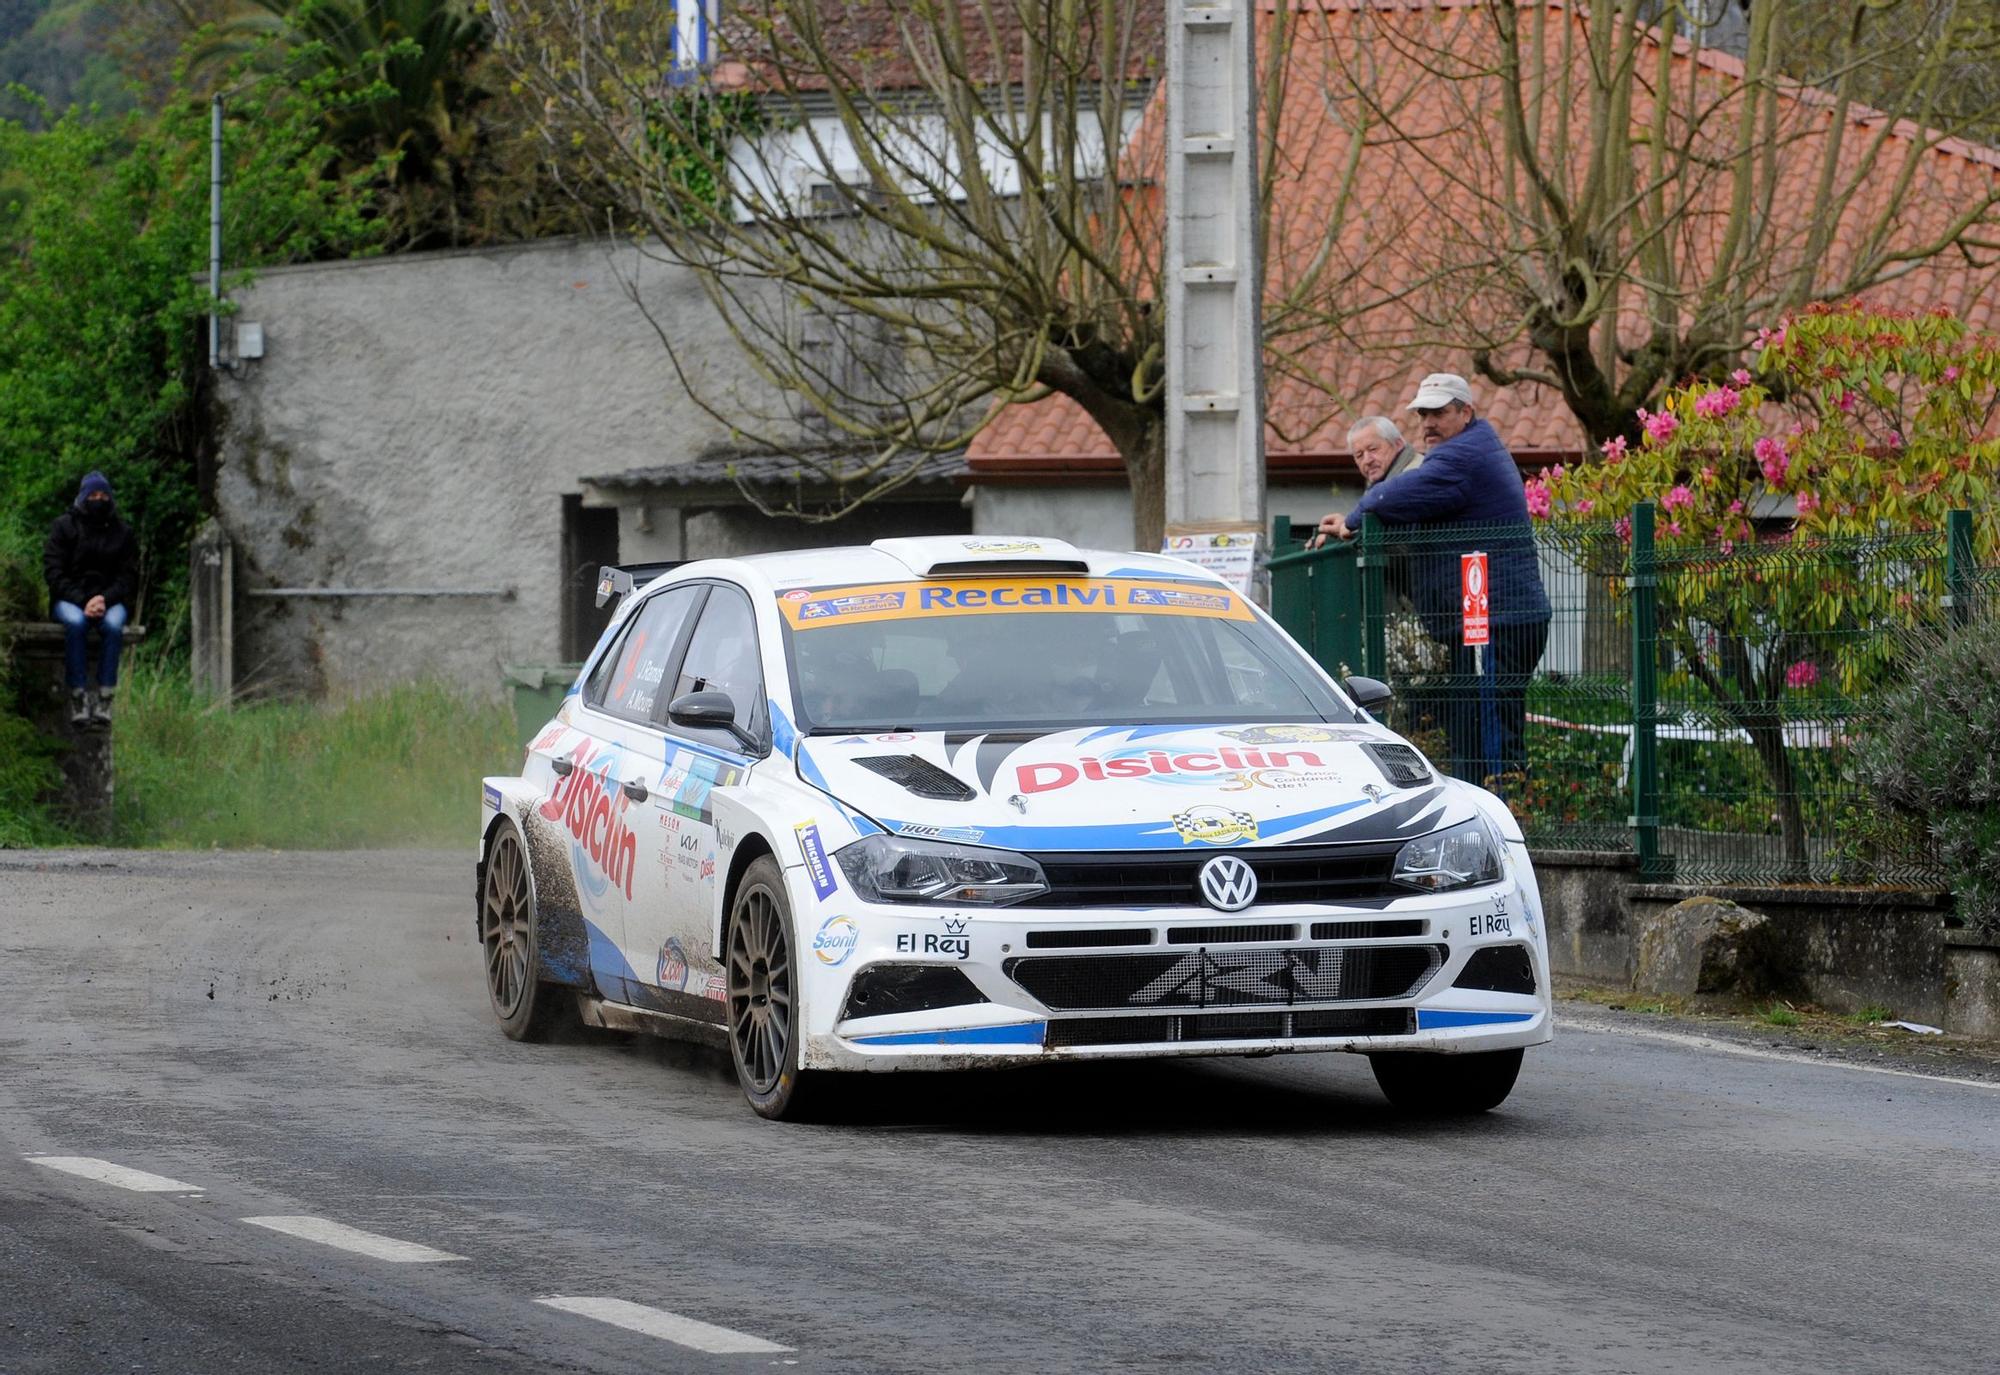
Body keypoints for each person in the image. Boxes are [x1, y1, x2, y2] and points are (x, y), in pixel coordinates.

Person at [1317, 374, 1550, 789]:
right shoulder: (1471, 448)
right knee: (1485, 713)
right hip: (1493, 613)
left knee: (1491, 713)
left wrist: (1354, 521)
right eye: (1423, 414)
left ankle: (1506, 799)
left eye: (1439, 413)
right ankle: (1499, 793)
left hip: (1497, 615)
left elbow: (1396, 495)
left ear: (1465, 412)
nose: (1428, 423)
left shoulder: (1461, 456)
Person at [43, 472, 138, 727]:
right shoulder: (64, 527)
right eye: (93, 495)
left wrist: (102, 599)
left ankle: (105, 697)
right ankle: (78, 695)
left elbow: (128, 576)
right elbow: (53, 572)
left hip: (109, 600)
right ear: (83, 497)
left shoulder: (123, 532)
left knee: (113, 626)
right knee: (76, 624)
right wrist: (83, 600)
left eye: (104, 495)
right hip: (70, 599)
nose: (99, 500)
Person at [1310, 416, 1421, 547]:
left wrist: (1346, 529)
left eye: (1373, 449)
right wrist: (1339, 532)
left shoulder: (1415, 472)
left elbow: (1396, 539)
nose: (1367, 460)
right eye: (1359, 455)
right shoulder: (1382, 479)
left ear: (1398, 444)